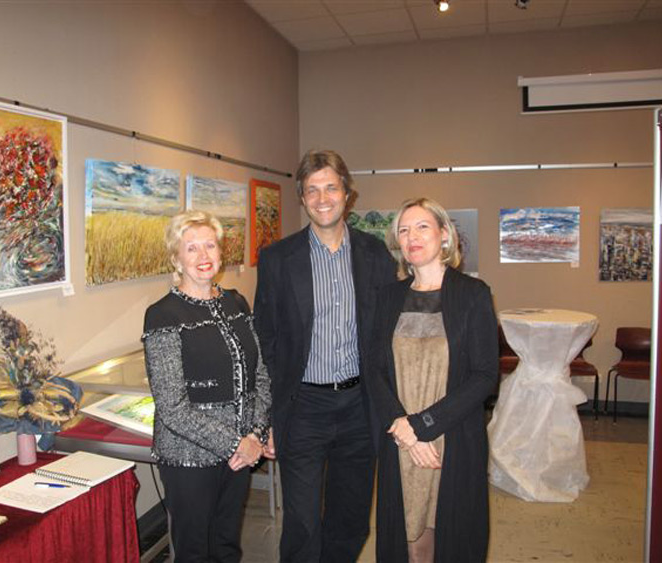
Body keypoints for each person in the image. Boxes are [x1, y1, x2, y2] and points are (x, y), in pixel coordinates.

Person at [254, 149, 397, 562]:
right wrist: (269, 417)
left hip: (359, 407)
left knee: (351, 519)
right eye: (312, 190)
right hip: (303, 407)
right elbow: (265, 340)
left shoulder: (375, 255)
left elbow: (388, 336)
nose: (322, 199)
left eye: (331, 188)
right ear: (301, 197)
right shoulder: (278, 259)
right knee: (302, 524)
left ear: (347, 194)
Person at [368, 197, 498, 563]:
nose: (412, 236)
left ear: (444, 235)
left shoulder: (473, 294)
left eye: (422, 227)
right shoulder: (388, 297)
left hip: (451, 439)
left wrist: (423, 425)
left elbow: (485, 376)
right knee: (408, 540)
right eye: (404, 230)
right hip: (400, 439)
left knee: (449, 536)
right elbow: (374, 368)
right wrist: (402, 426)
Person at [142, 210, 271, 563]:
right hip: (189, 458)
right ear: (176, 258)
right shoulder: (162, 314)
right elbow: (172, 407)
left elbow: (260, 375)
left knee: (227, 546)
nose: (203, 256)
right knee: (194, 552)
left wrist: (256, 433)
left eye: (210, 246)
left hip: (240, 455)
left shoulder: (236, 302)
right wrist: (237, 443)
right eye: (192, 248)